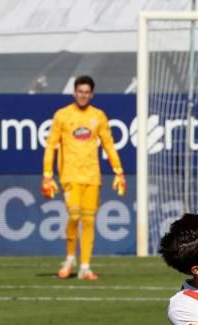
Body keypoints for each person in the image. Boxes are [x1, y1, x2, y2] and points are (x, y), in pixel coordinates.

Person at [41, 75, 126, 280]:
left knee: (88, 221)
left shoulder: (98, 116)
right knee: (74, 215)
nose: (83, 95)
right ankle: (70, 258)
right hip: (70, 175)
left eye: (87, 92)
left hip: (92, 176)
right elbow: (51, 145)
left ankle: (85, 267)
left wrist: (118, 171)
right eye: (80, 92)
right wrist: (47, 175)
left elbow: (108, 144)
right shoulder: (62, 115)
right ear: (75, 93)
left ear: (92, 94)